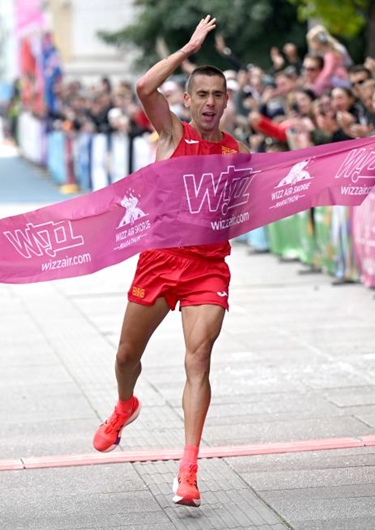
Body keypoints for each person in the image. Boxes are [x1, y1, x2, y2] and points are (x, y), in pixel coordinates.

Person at [91, 16, 248, 508]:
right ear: (187, 100)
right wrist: (187, 49)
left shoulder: (234, 152)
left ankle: (188, 470)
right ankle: (124, 405)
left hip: (206, 268)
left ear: (225, 102)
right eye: (200, 94)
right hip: (159, 262)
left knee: (198, 358)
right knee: (125, 358)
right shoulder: (171, 132)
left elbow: (238, 210)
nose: (208, 102)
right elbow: (143, 86)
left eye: (216, 95)